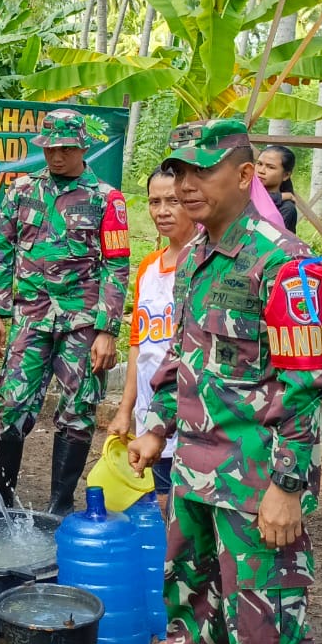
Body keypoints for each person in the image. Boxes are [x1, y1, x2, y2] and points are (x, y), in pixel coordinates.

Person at [127, 119, 322, 644]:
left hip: (254, 478)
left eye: (201, 173)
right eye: (179, 173)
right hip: (193, 464)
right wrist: (156, 425)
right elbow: (181, 359)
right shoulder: (194, 255)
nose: (186, 186)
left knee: (265, 607)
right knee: (188, 584)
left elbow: (303, 390)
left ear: (244, 177)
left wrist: (287, 486)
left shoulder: (286, 265)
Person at [0, 109, 130, 513]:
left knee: (78, 409)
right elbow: (0, 251)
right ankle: (4, 502)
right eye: (49, 149)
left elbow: (117, 265)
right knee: (11, 404)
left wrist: (107, 329)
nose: (56, 157)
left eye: (65, 148)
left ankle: (59, 505)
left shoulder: (106, 198)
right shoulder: (21, 191)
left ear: (83, 147)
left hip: (80, 323)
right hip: (30, 318)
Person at [109, 162, 199, 503]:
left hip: (190, 412)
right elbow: (138, 346)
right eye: (154, 202)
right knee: (157, 501)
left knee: (178, 506)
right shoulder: (148, 266)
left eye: (172, 201)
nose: (161, 211)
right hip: (151, 411)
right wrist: (125, 409)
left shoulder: (206, 265)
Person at [256, 144, 299, 234]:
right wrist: (281, 196)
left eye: (270, 167)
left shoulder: (286, 208)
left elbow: (273, 244)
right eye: (259, 164)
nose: (261, 171)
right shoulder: (244, 188)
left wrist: (279, 197)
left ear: (286, 175)